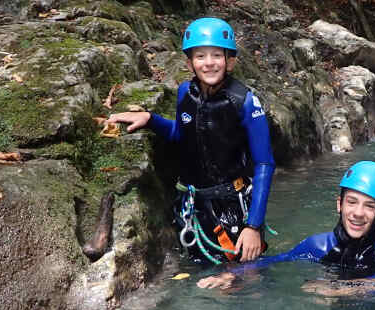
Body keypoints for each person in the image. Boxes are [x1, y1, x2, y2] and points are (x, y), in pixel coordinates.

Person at [107, 17, 274, 263]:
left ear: (230, 62)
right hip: (195, 204)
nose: (209, 63)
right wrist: (150, 119)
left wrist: (253, 226)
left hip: (233, 207)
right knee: (201, 272)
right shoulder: (186, 93)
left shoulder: (246, 103)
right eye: (200, 56)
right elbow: (182, 134)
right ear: (189, 63)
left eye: (217, 55)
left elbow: (265, 164)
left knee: (242, 279)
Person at [197, 161, 375, 289]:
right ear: (339, 204)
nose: (358, 213)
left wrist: (343, 290)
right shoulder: (317, 246)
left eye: (369, 206)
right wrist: (233, 273)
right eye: (351, 202)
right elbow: (276, 261)